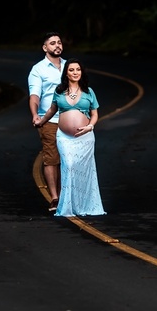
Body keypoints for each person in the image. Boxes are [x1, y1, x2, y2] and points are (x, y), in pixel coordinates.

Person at [35, 58, 105, 217]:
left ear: (82, 72)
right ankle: (68, 205)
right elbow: (52, 110)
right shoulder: (59, 91)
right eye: (72, 70)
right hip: (64, 137)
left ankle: (84, 204)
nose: (75, 73)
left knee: (84, 170)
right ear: (66, 73)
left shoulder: (89, 91)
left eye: (78, 70)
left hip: (85, 137)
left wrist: (90, 126)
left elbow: (94, 114)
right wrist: (41, 121)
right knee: (70, 166)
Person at [27, 32, 66, 208]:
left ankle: (67, 195)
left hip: (71, 119)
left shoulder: (70, 66)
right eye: (52, 43)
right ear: (45, 48)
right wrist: (35, 115)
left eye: (59, 42)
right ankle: (55, 197)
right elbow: (34, 95)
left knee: (69, 158)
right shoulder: (38, 69)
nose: (57, 45)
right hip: (49, 120)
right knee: (52, 157)